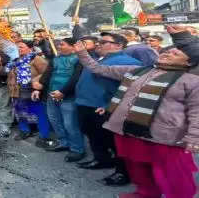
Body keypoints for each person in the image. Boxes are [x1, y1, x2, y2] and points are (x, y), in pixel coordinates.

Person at [74, 26, 199, 198]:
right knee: (137, 168)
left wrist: (194, 137)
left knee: (172, 174)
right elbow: (99, 69)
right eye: (167, 51)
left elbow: (196, 111)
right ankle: (145, 194)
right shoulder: (137, 70)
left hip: (164, 137)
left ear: (189, 62)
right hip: (130, 131)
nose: (168, 53)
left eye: (175, 54)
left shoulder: (191, 80)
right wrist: (82, 53)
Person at [74, 32, 141, 186]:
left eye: (103, 42)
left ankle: (122, 172)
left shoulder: (129, 63)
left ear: (119, 45)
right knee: (93, 136)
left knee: (114, 143)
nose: (98, 44)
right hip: (85, 104)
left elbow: (130, 90)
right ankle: (101, 159)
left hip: (105, 108)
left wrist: (109, 105)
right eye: (98, 41)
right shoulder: (95, 59)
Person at [36, 38, 85, 162]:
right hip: (51, 95)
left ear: (73, 47)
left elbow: (76, 78)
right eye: (58, 44)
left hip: (69, 96)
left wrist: (63, 92)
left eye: (62, 44)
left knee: (70, 124)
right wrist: (39, 88)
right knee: (55, 121)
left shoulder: (80, 60)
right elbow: (47, 75)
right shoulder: (55, 59)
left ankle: (77, 149)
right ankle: (64, 143)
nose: (59, 46)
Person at [3, 41, 50, 146]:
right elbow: (5, 72)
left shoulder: (36, 58)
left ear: (30, 48)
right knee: (21, 113)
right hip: (18, 90)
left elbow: (46, 73)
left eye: (21, 47)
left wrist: (37, 82)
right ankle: (25, 130)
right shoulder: (14, 60)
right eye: (17, 48)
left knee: (39, 113)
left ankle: (44, 135)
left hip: (33, 90)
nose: (19, 49)